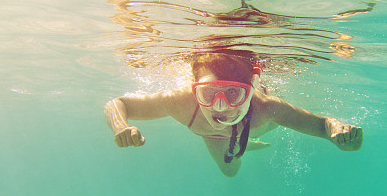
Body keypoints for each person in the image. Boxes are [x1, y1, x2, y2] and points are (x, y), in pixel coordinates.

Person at [104, 50, 363, 177]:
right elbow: (117, 103)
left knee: (230, 165)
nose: (220, 106)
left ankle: (242, 143)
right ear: (194, 90)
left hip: (243, 128)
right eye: (208, 94)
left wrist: (338, 133)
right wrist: (119, 125)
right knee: (230, 172)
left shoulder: (267, 107)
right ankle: (242, 146)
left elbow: (322, 125)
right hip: (215, 138)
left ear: (250, 90)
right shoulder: (180, 102)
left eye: (233, 94)